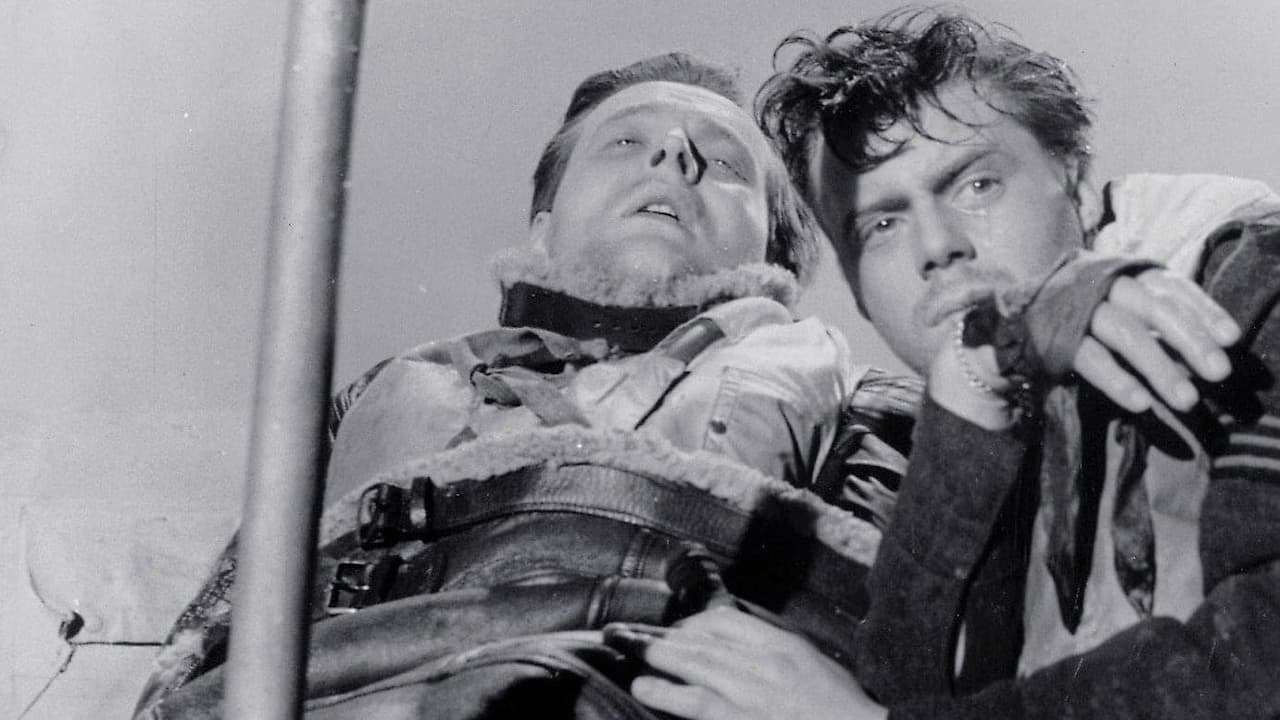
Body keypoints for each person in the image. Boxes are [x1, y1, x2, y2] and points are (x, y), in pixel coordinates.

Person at [133, 52, 916, 718]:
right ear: (543, 228)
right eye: (625, 141)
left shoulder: (860, 399)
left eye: (725, 163)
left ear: (774, 252)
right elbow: (209, 637)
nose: (674, 158)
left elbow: (899, 638)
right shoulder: (372, 397)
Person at [622, 10, 1280, 720]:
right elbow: (908, 684)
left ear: (1080, 188)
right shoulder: (963, 418)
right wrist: (966, 402)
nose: (937, 247)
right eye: (881, 225)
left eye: (978, 186)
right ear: (858, 294)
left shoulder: (1247, 282)